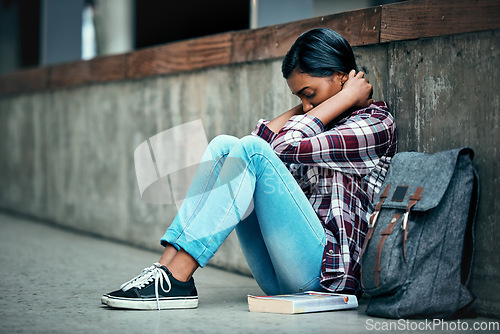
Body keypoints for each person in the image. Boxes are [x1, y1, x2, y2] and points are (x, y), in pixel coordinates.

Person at [101, 28, 397, 310]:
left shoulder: (373, 124)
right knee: (224, 147)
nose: (306, 107)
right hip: (278, 274)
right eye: (299, 99)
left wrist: (344, 99)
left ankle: (177, 278)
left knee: (251, 152)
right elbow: (256, 143)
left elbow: (279, 148)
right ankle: (167, 270)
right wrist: (322, 102)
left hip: (326, 276)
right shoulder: (315, 122)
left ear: (341, 76)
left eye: (310, 94)